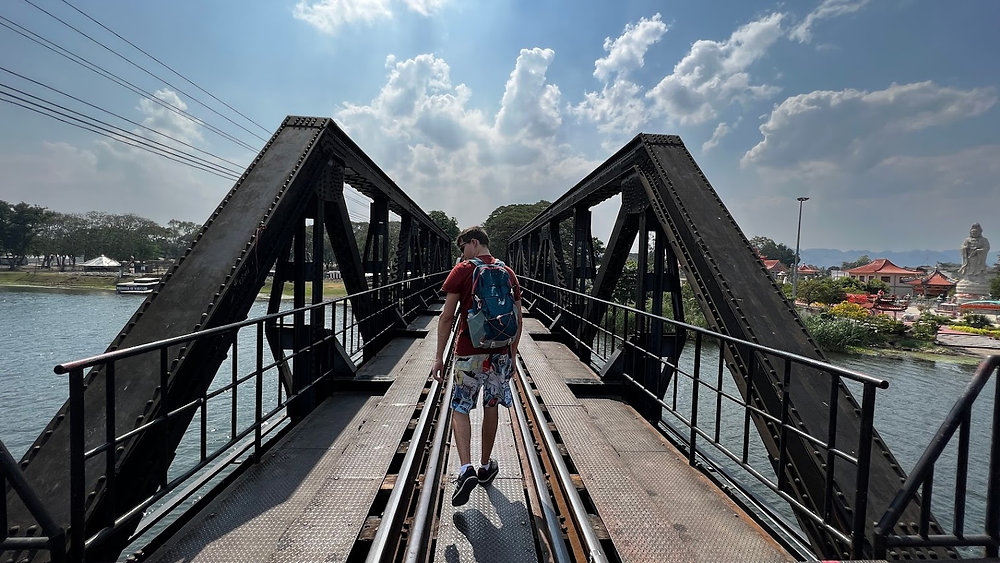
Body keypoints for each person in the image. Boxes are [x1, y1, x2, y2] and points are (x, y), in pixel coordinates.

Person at [432, 226, 522, 507]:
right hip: (500, 354)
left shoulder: (463, 270)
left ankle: (465, 469)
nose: (462, 254)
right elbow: (518, 317)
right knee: (491, 406)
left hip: (469, 353)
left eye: (463, 248)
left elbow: (447, 317)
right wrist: (512, 355)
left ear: (473, 243)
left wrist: (439, 356)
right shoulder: (508, 273)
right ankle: (485, 465)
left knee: (460, 408)